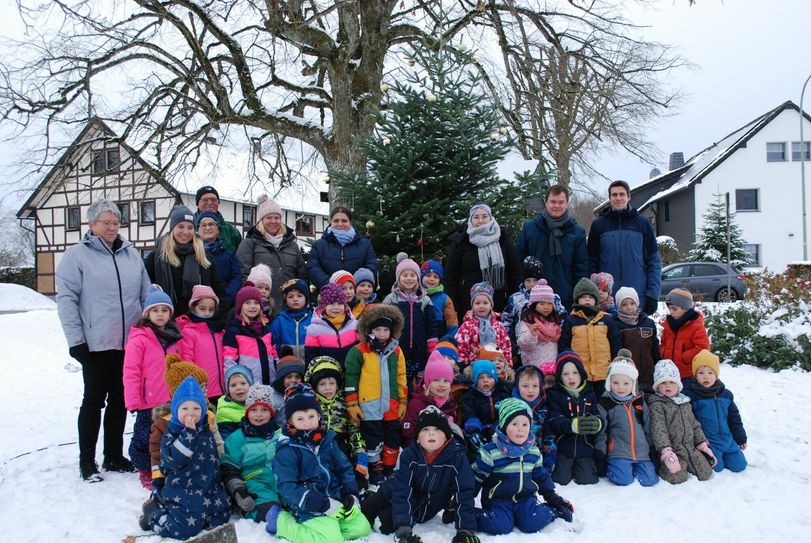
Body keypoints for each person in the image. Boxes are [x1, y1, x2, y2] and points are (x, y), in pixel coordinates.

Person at [55, 198, 150, 482]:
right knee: (94, 400)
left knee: (121, 401)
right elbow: (67, 299)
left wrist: (148, 333)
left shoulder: (131, 255)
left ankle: (113, 455)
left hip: (128, 344)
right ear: (91, 225)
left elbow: (145, 295)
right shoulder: (77, 256)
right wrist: (76, 340)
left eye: (115, 223)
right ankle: (87, 461)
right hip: (95, 344)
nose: (111, 227)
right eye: (105, 223)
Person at [267, 384, 371, 542]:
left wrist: (351, 495)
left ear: (318, 415)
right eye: (300, 418)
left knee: (362, 528)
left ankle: (329, 527)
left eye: (311, 416)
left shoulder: (327, 440)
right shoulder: (288, 449)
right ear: (290, 421)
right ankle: (281, 522)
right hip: (306, 505)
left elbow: (344, 469)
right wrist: (321, 504)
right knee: (330, 540)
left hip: (334, 500)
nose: (307, 422)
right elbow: (286, 485)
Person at [361, 406, 479, 543]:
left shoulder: (457, 458)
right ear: (418, 438)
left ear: (447, 435)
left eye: (438, 429)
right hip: (399, 491)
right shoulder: (410, 455)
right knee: (370, 506)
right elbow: (402, 490)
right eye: (425, 429)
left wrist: (465, 530)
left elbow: (464, 492)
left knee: (385, 525)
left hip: (426, 506)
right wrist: (404, 530)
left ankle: (381, 517)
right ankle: (369, 499)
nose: (431, 434)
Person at [138, 377, 230, 539]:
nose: (191, 413)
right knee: (184, 530)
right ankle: (154, 514)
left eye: (196, 408)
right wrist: (188, 433)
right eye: (185, 408)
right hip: (182, 490)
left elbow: (212, 460)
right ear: (176, 410)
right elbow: (174, 460)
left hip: (207, 488)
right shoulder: (171, 433)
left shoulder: (206, 431)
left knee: (221, 518)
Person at [472, 398, 574, 536]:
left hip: (525, 499)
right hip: (498, 501)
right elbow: (476, 478)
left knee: (532, 523)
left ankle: (552, 511)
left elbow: (541, 477)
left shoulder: (532, 451)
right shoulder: (491, 452)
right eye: (514, 424)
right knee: (500, 526)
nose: (520, 429)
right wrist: (463, 506)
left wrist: (555, 501)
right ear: (503, 425)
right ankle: (472, 515)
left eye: (525, 424)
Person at [123, 285, 183, 489]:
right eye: (155, 310)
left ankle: (162, 467)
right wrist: (133, 400)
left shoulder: (175, 338)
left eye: (164, 310)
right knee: (143, 439)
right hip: (147, 401)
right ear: (147, 313)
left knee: (164, 436)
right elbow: (131, 371)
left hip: (170, 399)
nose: (160, 314)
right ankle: (145, 469)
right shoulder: (140, 338)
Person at [344, 304, 408, 484]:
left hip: (392, 404)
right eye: (377, 329)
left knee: (392, 438)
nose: (381, 333)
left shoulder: (396, 350)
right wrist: (352, 403)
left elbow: (401, 376)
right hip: (369, 405)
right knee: (373, 439)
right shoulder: (359, 351)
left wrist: (403, 400)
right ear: (369, 330)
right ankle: (376, 469)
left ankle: (389, 467)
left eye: (385, 329)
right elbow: (351, 378)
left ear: (392, 330)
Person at [148, 354, 223, 490]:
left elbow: (217, 445)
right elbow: (157, 452)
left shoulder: (208, 416)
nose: (205, 392)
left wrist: (222, 466)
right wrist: (158, 477)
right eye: (200, 388)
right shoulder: (164, 422)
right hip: (177, 477)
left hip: (205, 474)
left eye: (205, 387)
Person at [588, 180, 662, 315]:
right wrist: (593, 293)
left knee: (634, 336)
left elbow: (654, 262)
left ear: (629, 196)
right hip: (606, 299)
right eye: (614, 195)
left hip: (637, 297)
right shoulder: (599, 225)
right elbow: (591, 263)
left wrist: (653, 294)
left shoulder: (642, 223)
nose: (618, 198)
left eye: (622, 194)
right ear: (609, 198)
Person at [144, 204, 225, 317]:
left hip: (198, 320)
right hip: (167, 321)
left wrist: (216, 314)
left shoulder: (204, 256)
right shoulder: (157, 257)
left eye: (190, 227)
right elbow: (146, 290)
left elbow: (218, 288)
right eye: (181, 226)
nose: (186, 232)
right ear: (173, 228)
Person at [516, 185, 589, 310]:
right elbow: (519, 261)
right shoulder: (530, 228)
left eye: (561, 202)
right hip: (534, 299)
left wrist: (579, 296)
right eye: (553, 202)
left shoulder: (577, 232)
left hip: (565, 298)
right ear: (546, 202)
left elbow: (581, 268)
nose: (557, 206)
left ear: (567, 203)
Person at [595, 350, 659, 487]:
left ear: (633, 384)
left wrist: (652, 449)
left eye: (626, 383)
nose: (621, 387)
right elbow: (602, 432)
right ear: (609, 382)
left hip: (641, 452)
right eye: (616, 382)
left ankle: (638, 468)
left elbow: (647, 427)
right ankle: (618, 468)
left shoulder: (639, 402)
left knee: (650, 480)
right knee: (623, 479)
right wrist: (600, 454)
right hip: (618, 452)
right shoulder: (605, 404)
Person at [647, 359, 715, 484]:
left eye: (672, 382)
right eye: (663, 383)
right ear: (657, 386)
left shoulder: (685, 403)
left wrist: (701, 443)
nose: (668, 386)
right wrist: (665, 451)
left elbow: (694, 424)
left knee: (706, 473)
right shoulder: (657, 405)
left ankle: (697, 459)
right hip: (672, 450)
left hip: (689, 446)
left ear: (678, 386)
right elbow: (658, 429)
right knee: (676, 477)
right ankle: (666, 464)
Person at [445, 203, 521, 315]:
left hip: (499, 303)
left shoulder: (503, 239)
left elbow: (515, 271)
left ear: (490, 217)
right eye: (476, 217)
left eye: (484, 216)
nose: (480, 220)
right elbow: (450, 276)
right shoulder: (461, 241)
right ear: (470, 219)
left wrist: (514, 301)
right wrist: (454, 307)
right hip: (468, 304)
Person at [220, 384, 282, 522]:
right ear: (247, 412)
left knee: (297, 505)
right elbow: (229, 469)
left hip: (281, 480)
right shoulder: (238, 438)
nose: (258, 414)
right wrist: (238, 491)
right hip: (255, 483)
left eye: (264, 409)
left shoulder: (279, 434)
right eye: (253, 409)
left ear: (272, 412)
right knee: (270, 511)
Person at [236, 194, 307, 314]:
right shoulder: (249, 244)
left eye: (277, 217)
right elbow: (243, 275)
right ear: (261, 220)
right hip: (260, 310)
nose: (273, 221)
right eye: (269, 217)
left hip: (288, 310)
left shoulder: (292, 245)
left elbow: (302, 275)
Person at [305, 356, 368, 489]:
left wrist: (360, 452)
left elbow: (354, 430)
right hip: (318, 446)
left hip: (340, 446)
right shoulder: (311, 405)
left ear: (338, 384)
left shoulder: (344, 405)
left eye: (331, 383)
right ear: (314, 386)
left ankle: (353, 490)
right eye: (322, 384)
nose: (328, 388)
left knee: (348, 474)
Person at [544, 350, 602, 486]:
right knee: (561, 479)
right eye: (565, 374)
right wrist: (571, 425)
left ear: (581, 373)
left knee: (587, 480)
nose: (571, 377)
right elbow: (554, 419)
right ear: (559, 376)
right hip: (564, 447)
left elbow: (596, 413)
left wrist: (598, 423)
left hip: (585, 447)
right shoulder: (555, 394)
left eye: (575, 372)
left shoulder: (590, 393)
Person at [684, 350, 748, 473]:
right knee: (716, 467)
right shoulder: (692, 396)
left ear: (716, 374)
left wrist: (740, 438)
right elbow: (691, 422)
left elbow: (734, 419)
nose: (706, 376)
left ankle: (730, 453)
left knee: (739, 466)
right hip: (709, 442)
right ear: (695, 375)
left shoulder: (726, 395)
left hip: (728, 440)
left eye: (710, 372)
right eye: (701, 373)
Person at [558, 277, 621, 397]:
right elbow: (564, 346)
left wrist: (615, 364)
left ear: (596, 300)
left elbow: (615, 344)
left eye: (591, 297)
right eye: (583, 297)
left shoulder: (607, 319)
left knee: (602, 404)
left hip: (603, 374)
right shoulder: (571, 320)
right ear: (577, 299)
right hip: (580, 375)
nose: (587, 299)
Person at [382, 257, 439, 383]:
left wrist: (432, 346)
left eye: (413, 275)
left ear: (417, 278)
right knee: (399, 379)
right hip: (397, 348)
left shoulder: (424, 300)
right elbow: (384, 323)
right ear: (398, 278)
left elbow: (431, 325)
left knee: (418, 380)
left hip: (420, 349)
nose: (409, 278)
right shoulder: (391, 299)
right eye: (405, 275)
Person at [307, 206, 378, 290]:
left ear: (350, 222)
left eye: (344, 221)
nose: (340, 224)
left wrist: (352, 286)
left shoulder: (365, 244)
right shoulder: (319, 245)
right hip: (329, 294)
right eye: (336, 221)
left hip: (358, 294)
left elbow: (371, 265)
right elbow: (313, 268)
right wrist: (331, 285)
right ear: (331, 222)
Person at [176, 285, 226, 400]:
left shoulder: (220, 331)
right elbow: (187, 360)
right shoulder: (189, 332)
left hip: (223, 389)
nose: (207, 313)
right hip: (201, 390)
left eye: (211, 309)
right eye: (202, 309)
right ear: (194, 308)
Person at [223, 281, 278, 386]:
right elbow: (229, 361)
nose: (252, 306)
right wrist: (234, 384)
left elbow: (274, 355)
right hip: (248, 386)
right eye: (247, 303)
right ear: (240, 306)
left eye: (256, 303)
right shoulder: (234, 331)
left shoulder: (266, 329)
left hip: (270, 384)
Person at [401, 350, 458, 447]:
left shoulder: (450, 402)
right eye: (436, 380)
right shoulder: (417, 403)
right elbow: (407, 431)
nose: (441, 385)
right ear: (428, 382)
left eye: (446, 381)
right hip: (420, 449)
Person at [462, 359, 511, 461]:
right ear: (475, 380)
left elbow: (506, 411)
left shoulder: (502, 391)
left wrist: (498, 425)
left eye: (489, 377)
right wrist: (474, 430)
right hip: (480, 429)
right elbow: (470, 415)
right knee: (472, 446)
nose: (485, 380)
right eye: (480, 377)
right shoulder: (470, 396)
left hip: (498, 429)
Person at [454, 282, 512, 369]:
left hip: (496, 368)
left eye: (485, 303)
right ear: (472, 306)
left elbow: (506, 346)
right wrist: (462, 366)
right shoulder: (467, 326)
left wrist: (507, 366)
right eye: (477, 303)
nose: (481, 306)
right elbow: (461, 347)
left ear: (491, 305)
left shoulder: (498, 326)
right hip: (475, 368)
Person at [613, 286, 659, 391]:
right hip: (626, 373)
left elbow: (654, 347)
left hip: (647, 371)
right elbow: (615, 349)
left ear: (637, 304)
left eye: (632, 303)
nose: (629, 307)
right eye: (624, 304)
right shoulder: (615, 324)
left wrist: (658, 362)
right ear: (619, 306)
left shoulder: (648, 323)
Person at [304, 283, 360, 367]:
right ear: (323, 305)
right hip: (328, 375)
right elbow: (311, 357)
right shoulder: (314, 329)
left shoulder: (353, 324)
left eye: (340, 303)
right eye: (332, 303)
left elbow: (360, 348)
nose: (336, 307)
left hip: (351, 371)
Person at [659, 288, 710, 380]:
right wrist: (663, 354)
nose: (671, 312)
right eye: (669, 308)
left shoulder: (696, 326)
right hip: (669, 372)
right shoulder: (668, 325)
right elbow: (663, 343)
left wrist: (684, 357)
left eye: (674, 309)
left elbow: (703, 348)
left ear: (685, 308)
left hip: (687, 374)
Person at [512, 365, 556, 471]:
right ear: (517, 387)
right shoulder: (511, 407)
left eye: (535, 386)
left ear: (541, 386)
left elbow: (549, 437)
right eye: (525, 386)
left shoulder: (544, 409)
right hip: (515, 457)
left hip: (538, 456)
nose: (530, 390)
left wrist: (549, 459)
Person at [196, 210, 241, 307]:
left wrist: (226, 298)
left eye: (211, 224)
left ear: (218, 230)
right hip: (199, 305)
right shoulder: (193, 255)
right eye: (203, 225)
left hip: (224, 304)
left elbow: (236, 278)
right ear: (198, 231)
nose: (207, 228)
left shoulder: (229, 254)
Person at [502, 256, 547, 349]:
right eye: (528, 280)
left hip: (545, 344)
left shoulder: (549, 296)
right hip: (522, 344)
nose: (532, 284)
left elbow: (560, 316)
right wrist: (510, 339)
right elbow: (506, 319)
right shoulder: (516, 298)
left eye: (535, 280)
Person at [516, 280, 563, 369]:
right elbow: (523, 345)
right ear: (534, 305)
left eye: (549, 303)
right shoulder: (529, 321)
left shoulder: (554, 322)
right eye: (542, 304)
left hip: (551, 367)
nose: (546, 307)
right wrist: (532, 335)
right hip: (533, 368)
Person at [270, 278, 313, 360]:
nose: (295, 299)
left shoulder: (313, 320)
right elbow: (274, 347)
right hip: (287, 367)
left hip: (308, 366)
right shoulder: (279, 321)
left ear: (306, 299)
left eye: (299, 296)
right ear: (285, 300)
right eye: (291, 296)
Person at [194, 185, 243, 252]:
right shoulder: (189, 228)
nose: (210, 203)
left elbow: (242, 258)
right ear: (197, 203)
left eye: (213, 200)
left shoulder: (231, 231)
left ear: (218, 202)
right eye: (205, 200)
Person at [420, 259, 459, 338]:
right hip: (419, 339)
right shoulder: (415, 296)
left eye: (436, 277)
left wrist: (449, 339)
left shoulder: (444, 298)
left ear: (440, 280)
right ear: (421, 277)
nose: (432, 279)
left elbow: (452, 321)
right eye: (428, 275)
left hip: (439, 338)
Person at [216, 365, 254, 441]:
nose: (238, 388)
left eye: (243, 383)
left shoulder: (259, 404)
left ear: (250, 385)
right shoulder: (224, 412)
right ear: (228, 390)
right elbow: (227, 441)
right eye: (233, 385)